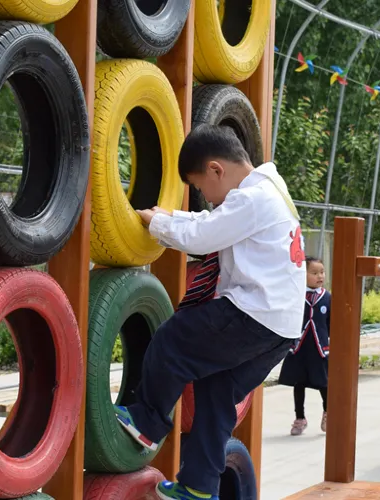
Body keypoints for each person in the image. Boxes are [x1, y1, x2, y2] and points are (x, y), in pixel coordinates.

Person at [115, 124, 306, 500]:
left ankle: (147, 421)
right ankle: (199, 487)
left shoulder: (252, 199)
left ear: (216, 169)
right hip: (281, 329)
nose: (204, 196)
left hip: (254, 313)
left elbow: (203, 238)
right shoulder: (269, 190)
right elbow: (211, 224)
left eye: (200, 186)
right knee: (216, 389)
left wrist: (158, 224)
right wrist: (169, 216)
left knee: (172, 339)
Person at [277, 257, 331, 436]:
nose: (320, 276)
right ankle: (300, 418)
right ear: (303, 274)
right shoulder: (296, 295)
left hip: (319, 348)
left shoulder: (327, 297)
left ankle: (328, 412)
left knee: (324, 383)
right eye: (314, 273)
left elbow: (331, 323)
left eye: (322, 272)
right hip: (299, 347)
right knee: (298, 383)